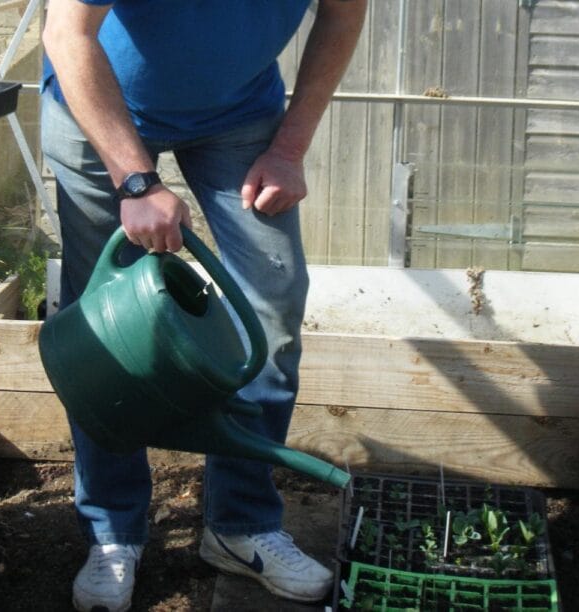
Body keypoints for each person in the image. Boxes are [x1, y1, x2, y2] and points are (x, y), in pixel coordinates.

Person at [40, 1, 366, 610]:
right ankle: (113, 529)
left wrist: (289, 149)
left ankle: (240, 527)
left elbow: (343, 16)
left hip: (239, 115)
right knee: (102, 329)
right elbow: (66, 32)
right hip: (100, 110)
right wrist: (136, 181)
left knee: (273, 307)